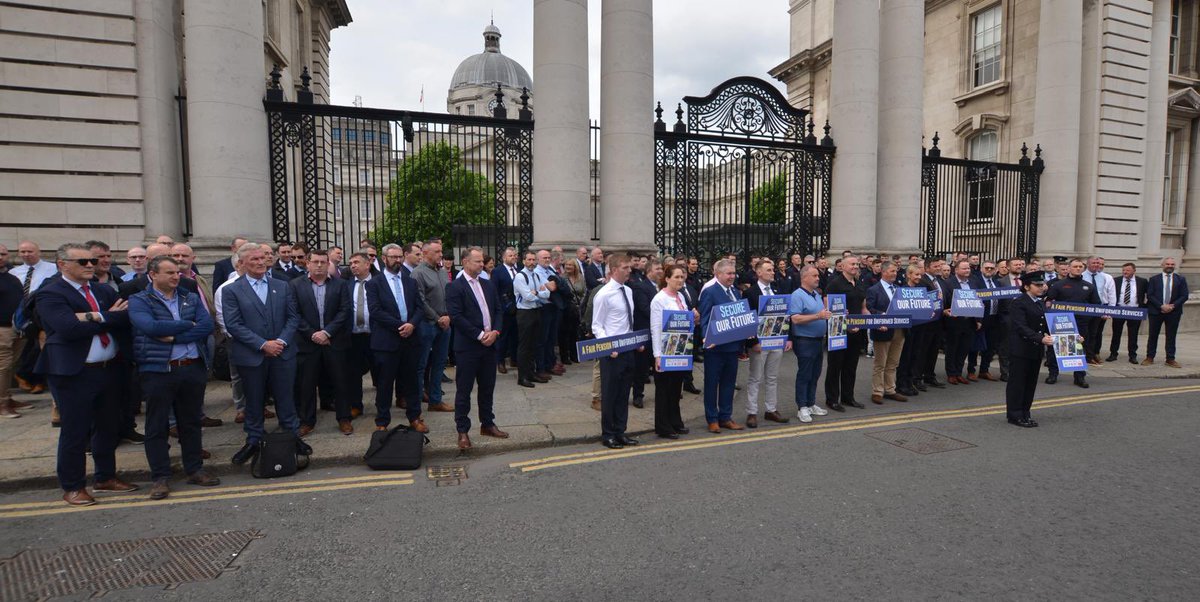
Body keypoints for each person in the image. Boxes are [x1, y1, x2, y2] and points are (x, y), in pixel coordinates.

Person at [35, 243, 138, 506]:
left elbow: (126, 319)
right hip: (74, 372)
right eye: (83, 262)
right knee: (75, 430)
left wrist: (89, 317)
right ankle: (73, 486)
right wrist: (105, 316)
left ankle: (105, 477)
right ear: (62, 265)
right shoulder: (50, 293)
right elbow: (67, 328)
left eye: (92, 261)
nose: (91, 265)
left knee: (108, 426)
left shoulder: (102, 290)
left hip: (109, 369)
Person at [128, 256, 219, 499]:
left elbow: (206, 325)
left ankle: (194, 469)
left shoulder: (189, 297)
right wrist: (186, 324)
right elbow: (150, 328)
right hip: (159, 370)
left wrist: (176, 335)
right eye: (169, 272)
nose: (175, 276)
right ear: (153, 274)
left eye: (177, 272)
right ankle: (160, 476)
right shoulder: (139, 300)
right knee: (157, 425)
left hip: (191, 368)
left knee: (190, 422)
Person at [221, 242, 309, 465]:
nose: (261, 263)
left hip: (282, 353)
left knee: (286, 398)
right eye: (255, 260)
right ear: (241, 263)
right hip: (252, 356)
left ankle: (292, 436)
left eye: (263, 258)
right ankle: (254, 440)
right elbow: (233, 324)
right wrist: (262, 344)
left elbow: (293, 317)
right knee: (254, 400)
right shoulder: (231, 290)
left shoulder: (282, 286)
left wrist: (280, 341)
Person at [445, 247, 508, 449]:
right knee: (464, 390)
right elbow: (456, 317)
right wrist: (480, 335)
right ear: (464, 261)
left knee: (487, 387)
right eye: (477, 261)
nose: (482, 265)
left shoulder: (487, 284)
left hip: (490, 346)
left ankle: (487, 424)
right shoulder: (455, 287)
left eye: (482, 262)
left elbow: (498, 310)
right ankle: (462, 430)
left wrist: (495, 332)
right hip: (468, 347)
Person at [290, 249, 352, 436]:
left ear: (328, 264)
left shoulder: (340, 285)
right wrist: (312, 334)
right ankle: (307, 421)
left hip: (334, 342)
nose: (319, 265)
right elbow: (294, 314)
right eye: (315, 262)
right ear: (307, 263)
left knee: (340, 382)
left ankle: (344, 418)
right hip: (307, 344)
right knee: (306, 384)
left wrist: (326, 332)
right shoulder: (295, 285)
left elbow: (344, 311)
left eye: (323, 262)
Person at [367, 244, 424, 432]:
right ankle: (382, 421)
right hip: (387, 341)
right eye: (393, 257)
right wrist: (400, 326)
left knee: (411, 382)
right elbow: (375, 311)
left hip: (410, 340)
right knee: (385, 384)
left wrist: (412, 325)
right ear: (384, 258)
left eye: (400, 257)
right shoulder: (374, 283)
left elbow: (419, 307)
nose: (397, 260)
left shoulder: (410, 281)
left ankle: (415, 417)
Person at [591, 253, 640, 449]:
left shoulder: (627, 291)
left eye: (630, 267)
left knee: (623, 394)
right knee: (610, 394)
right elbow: (597, 326)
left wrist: (636, 340)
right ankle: (608, 433)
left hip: (628, 348)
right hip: (612, 352)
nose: (630, 270)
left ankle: (621, 431)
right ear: (613, 270)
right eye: (625, 267)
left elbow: (628, 321)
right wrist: (607, 346)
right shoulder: (603, 294)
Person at [739, 259, 791, 427]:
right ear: (759, 272)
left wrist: (788, 337)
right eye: (769, 270)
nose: (773, 272)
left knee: (772, 377)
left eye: (773, 269)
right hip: (760, 344)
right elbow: (747, 319)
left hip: (777, 341)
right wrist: (753, 342)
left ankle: (771, 409)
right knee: (755, 378)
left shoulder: (777, 290)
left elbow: (784, 315)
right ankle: (751, 412)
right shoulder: (751, 293)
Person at [698, 259, 746, 432]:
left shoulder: (735, 292)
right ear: (718, 274)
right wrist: (706, 338)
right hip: (715, 348)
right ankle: (712, 419)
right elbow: (704, 318)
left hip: (733, 347)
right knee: (712, 383)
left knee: (728, 383)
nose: (732, 276)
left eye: (733, 273)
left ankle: (726, 417)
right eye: (728, 273)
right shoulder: (709, 292)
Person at [650, 264, 695, 439]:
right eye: (676, 277)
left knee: (676, 389)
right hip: (665, 350)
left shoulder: (681, 297)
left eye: (682, 277)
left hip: (680, 350)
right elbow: (655, 328)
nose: (680, 280)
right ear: (667, 279)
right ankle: (663, 426)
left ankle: (675, 421)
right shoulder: (659, 299)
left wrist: (693, 317)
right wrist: (657, 355)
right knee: (664, 390)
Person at [1005, 271, 1053, 428]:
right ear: (1026, 287)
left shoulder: (1038, 302)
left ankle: (1026, 412)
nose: (1042, 288)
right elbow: (1020, 326)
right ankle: (1015, 414)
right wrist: (1040, 338)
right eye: (1037, 285)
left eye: (1042, 285)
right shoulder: (1018, 303)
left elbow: (1045, 324)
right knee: (1018, 383)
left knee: (1030, 383)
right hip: (1021, 348)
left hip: (1035, 349)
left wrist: (1071, 337)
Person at [1045, 258, 1100, 388]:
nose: (1077, 268)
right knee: (1054, 349)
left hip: (1081, 323)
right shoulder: (1058, 285)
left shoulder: (1089, 286)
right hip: (1060, 322)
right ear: (1069, 268)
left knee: (1080, 348)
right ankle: (1053, 374)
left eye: (1080, 266)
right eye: (1075, 266)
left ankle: (1079, 377)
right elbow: (1048, 302)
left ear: (1083, 268)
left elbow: (1096, 304)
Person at [824, 255, 869, 409]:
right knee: (835, 366)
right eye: (852, 264)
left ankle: (848, 397)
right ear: (842, 266)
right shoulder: (834, 284)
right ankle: (832, 399)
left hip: (857, 332)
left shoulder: (859, 283)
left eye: (857, 264)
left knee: (851, 366)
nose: (855, 266)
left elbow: (863, 307)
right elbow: (829, 309)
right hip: (839, 332)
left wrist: (874, 321)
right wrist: (846, 323)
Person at [866, 261, 907, 404]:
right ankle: (877, 391)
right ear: (883, 272)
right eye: (892, 271)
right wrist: (881, 315)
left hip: (899, 330)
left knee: (893, 362)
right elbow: (870, 308)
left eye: (896, 271)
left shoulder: (898, 289)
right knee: (880, 363)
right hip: (882, 330)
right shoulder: (873, 290)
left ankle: (890, 389)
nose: (895, 273)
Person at [344, 252, 375, 419]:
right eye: (351, 263)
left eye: (356, 262)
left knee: (381, 370)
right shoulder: (346, 285)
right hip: (354, 335)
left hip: (375, 335)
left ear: (367, 264)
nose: (353, 265)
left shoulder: (378, 283)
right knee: (354, 373)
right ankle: (356, 405)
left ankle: (382, 404)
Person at [940, 259, 981, 385]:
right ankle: (951, 373)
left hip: (970, 321)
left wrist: (979, 319)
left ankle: (958, 372)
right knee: (952, 348)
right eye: (964, 268)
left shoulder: (974, 282)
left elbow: (978, 300)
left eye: (968, 268)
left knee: (964, 348)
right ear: (956, 270)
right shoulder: (948, 283)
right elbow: (945, 302)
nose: (967, 270)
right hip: (954, 321)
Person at [514, 250, 551, 387]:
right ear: (523, 261)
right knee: (524, 346)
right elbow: (527, 297)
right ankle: (522, 377)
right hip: (525, 313)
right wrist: (538, 294)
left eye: (533, 260)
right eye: (528, 260)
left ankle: (531, 373)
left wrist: (537, 293)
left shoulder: (536, 274)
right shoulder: (520, 276)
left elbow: (547, 293)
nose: (531, 262)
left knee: (534, 344)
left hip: (536, 311)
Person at [1144, 257, 1189, 368]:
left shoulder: (1181, 279)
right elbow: (1150, 295)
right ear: (1162, 265)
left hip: (1173, 312)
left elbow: (1184, 295)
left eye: (1172, 264)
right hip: (1156, 311)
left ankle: (1170, 359)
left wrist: (1172, 306)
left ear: (1175, 266)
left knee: (1171, 336)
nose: (1170, 266)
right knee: (1153, 335)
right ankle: (1150, 357)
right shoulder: (1154, 279)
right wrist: (1161, 306)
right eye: (1167, 264)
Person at [628, 258, 659, 408]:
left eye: (661, 269)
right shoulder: (641, 287)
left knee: (658, 366)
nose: (660, 271)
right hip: (645, 332)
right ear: (648, 272)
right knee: (641, 367)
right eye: (657, 269)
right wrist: (664, 316)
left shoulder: (662, 287)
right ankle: (638, 395)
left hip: (659, 333)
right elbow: (644, 308)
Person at [1108, 262, 1147, 363]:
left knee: (1133, 334)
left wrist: (1144, 307)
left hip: (1134, 311)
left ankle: (1132, 355)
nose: (1125, 272)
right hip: (1119, 310)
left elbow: (1148, 295)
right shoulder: (1116, 280)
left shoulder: (1142, 281)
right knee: (1116, 333)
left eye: (1128, 270)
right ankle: (1113, 353)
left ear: (1134, 271)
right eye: (1123, 270)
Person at [973, 260, 1005, 381]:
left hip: (994, 317)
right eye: (987, 268)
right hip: (981, 318)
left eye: (992, 268)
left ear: (996, 270)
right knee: (976, 346)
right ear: (981, 269)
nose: (989, 270)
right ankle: (971, 370)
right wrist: (977, 319)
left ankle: (984, 370)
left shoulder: (997, 282)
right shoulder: (976, 281)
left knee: (990, 346)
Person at [491, 247, 520, 374]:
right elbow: (494, 291)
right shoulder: (498, 271)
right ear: (504, 257)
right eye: (510, 256)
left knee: (516, 335)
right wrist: (501, 307)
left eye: (515, 255)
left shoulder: (519, 270)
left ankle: (514, 359)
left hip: (518, 307)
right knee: (503, 337)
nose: (513, 257)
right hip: (505, 309)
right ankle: (500, 361)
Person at [1082, 256, 1115, 364]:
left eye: (1098, 263)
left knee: (1094, 334)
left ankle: (1091, 355)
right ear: (1087, 264)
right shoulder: (1082, 276)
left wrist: (1109, 310)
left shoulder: (1103, 277)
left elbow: (1109, 294)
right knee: (1084, 334)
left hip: (1098, 309)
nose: (1096, 265)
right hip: (1085, 309)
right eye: (1094, 263)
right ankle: (1084, 354)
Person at [560, 258, 586, 365]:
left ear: (575, 267)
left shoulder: (581, 278)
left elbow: (584, 292)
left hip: (577, 309)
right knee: (564, 333)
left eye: (571, 265)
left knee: (575, 333)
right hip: (566, 309)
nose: (568, 267)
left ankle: (574, 355)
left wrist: (581, 304)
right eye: (566, 265)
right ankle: (564, 356)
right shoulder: (562, 278)